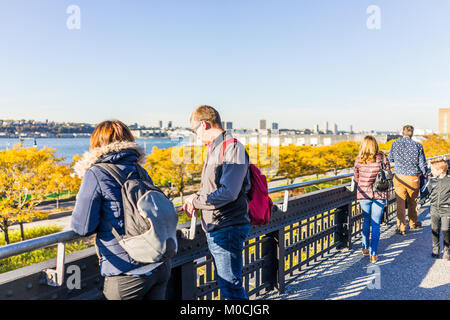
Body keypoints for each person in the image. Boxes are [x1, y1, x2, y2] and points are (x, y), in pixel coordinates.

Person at [71, 120, 171, 300]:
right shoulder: (140, 170)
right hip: (158, 264)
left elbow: (82, 227)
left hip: (126, 272)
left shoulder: (96, 173)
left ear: (96, 144)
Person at [183, 105, 251, 300]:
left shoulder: (232, 148)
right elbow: (214, 187)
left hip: (227, 225)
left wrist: (197, 202)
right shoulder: (216, 149)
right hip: (220, 225)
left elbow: (229, 192)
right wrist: (195, 196)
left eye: (195, 131)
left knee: (231, 288)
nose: (196, 136)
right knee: (230, 285)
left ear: (204, 124)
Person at [354, 136, 391, 263]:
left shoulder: (359, 160)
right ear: (375, 145)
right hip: (379, 194)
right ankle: (373, 254)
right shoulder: (382, 158)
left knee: (366, 220)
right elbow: (388, 174)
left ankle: (364, 247)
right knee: (376, 224)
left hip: (364, 194)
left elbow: (356, 178)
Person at [388, 125, 427, 235]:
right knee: (412, 202)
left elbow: (390, 158)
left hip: (399, 177)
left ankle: (401, 227)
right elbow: (422, 164)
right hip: (413, 178)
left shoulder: (395, 144)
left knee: (400, 202)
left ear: (402, 133)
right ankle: (413, 223)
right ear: (412, 134)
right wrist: (425, 174)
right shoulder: (417, 146)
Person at [427, 158, 450, 260]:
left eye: (433, 169)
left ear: (441, 170)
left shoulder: (449, 181)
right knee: (435, 229)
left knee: (445, 229)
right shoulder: (431, 181)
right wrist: (419, 203)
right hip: (434, 209)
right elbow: (425, 193)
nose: (431, 171)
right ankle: (435, 248)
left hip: (447, 210)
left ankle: (446, 249)